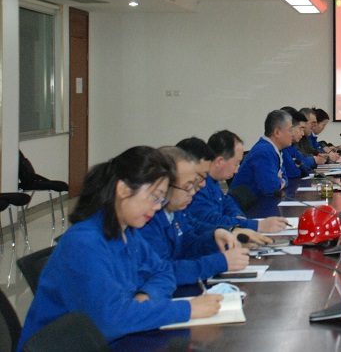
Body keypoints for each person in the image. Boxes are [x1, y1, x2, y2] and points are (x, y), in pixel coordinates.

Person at [18, 147, 222, 349]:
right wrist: (186, 309)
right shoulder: (84, 243)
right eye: (155, 197)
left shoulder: (127, 232)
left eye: (162, 200)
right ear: (123, 189)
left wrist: (146, 297)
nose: (157, 207)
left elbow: (164, 271)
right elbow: (111, 321)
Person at [141, 146, 250, 285]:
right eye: (187, 187)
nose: (193, 192)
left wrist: (214, 236)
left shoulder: (175, 211)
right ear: (166, 186)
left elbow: (188, 243)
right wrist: (219, 263)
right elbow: (162, 271)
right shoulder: (146, 221)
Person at [186, 130, 288, 236]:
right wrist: (257, 225)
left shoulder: (213, 181)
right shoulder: (199, 185)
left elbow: (227, 203)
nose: (237, 170)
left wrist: (239, 217)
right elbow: (211, 220)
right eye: (236, 164)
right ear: (220, 161)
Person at [230, 109, 293, 198]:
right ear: (277, 132)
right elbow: (270, 187)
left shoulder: (272, 149)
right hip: (246, 205)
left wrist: (280, 180)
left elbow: (285, 176)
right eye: (290, 130)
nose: (292, 134)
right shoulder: (264, 151)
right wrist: (279, 181)